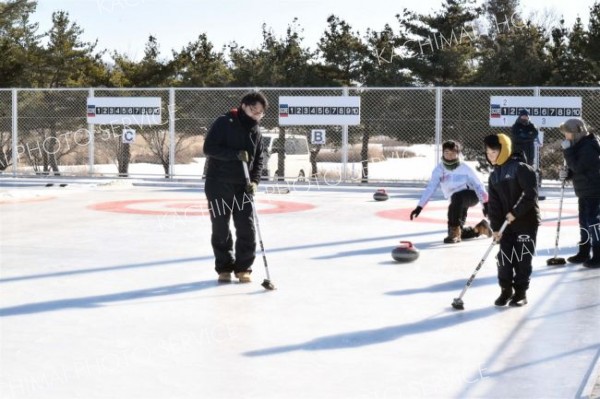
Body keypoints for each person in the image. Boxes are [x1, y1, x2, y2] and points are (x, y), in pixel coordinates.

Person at [203, 91, 268, 283]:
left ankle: (243, 268)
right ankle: (224, 267)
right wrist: (235, 154)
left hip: (243, 187)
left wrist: (255, 181)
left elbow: (258, 160)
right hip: (218, 184)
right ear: (243, 106)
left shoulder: (256, 131)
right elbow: (209, 148)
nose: (257, 115)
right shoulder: (224, 122)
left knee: (246, 227)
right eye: (254, 111)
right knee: (221, 227)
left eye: (261, 113)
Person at [484, 133, 541, 307]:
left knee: (522, 258)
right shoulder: (494, 176)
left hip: (526, 222)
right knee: (504, 258)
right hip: (505, 225)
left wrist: (515, 213)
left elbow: (530, 195)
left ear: (504, 149)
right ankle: (505, 290)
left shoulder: (521, 168)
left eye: (494, 151)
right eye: (487, 152)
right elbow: (493, 206)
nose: (490, 155)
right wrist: (495, 228)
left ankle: (520, 293)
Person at [410, 140, 492, 244]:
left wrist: (485, 204)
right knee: (458, 227)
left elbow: (479, 186)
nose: (450, 156)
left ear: (458, 154)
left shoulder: (465, 168)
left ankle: (455, 233)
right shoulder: (439, 170)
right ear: (443, 153)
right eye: (447, 153)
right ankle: (480, 228)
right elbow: (431, 188)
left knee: (456, 200)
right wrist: (419, 206)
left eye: (453, 153)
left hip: (471, 195)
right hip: (456, 201)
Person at [559, 118, 600, 268]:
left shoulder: (588, 146)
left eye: (568, 133)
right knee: (584, 221)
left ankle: (598, 254)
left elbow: (579, 167)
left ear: (576, 132)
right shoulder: (579, 145)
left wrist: (567, 151)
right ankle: (584, 251)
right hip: (584, 190)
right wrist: (566, 174)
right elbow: (576, 169)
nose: (566, 136)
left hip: (593, 190)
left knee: (593, 222)